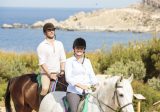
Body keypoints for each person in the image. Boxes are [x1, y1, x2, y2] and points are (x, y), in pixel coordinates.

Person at [65, 37, 97, 112]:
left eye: (81, 48)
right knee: (74, 110)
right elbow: (68, 78)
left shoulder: (87, 61)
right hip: (74, 92)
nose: (79, 50)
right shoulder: (69, 61)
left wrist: (96, 84)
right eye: (77, 48)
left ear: (84, 50)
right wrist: (81, 86)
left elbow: (92, 76)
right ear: (74, 49)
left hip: (88, 91)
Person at [37, 23, 66, 97]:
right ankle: (42, 107)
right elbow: (42, 63)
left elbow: (63, 59)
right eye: (49, 30)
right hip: (46, 74)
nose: (51, 31)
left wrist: (62, 71)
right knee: (45, 88)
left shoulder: (59, 44)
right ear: (44, 32)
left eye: (53, 29)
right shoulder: (41, 46)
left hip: (59, 73)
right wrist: (50, 75)